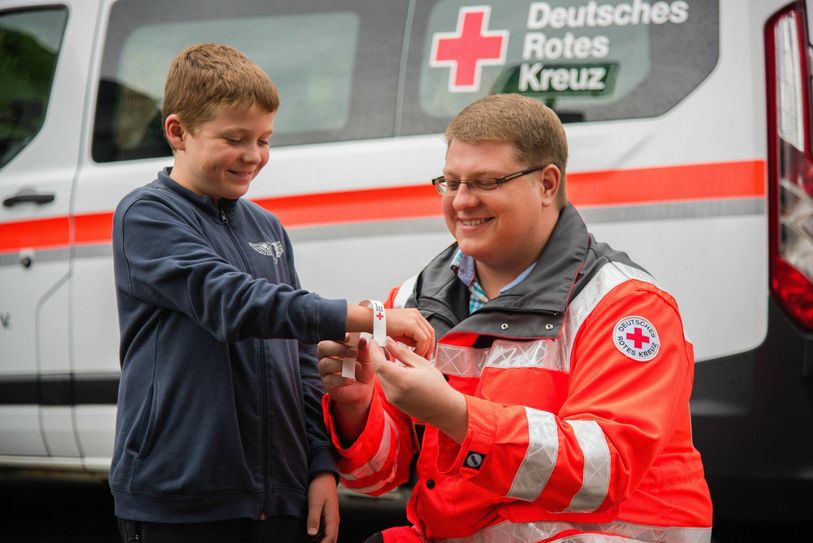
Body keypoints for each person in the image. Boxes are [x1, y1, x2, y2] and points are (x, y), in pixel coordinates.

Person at [318, 94, 713, 543]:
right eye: (450, 182)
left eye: (486, 181)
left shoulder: (626, 305)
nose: (462, 201)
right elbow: (372, 479)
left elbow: (603, 474)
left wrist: (456, 415)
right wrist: (355, 404)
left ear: (547, 184)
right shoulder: (414, 297)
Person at [109, 43, 433, 543]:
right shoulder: (146, 215)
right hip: (180, 499)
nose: (254, 156)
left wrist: (319, 467)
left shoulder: (267, 227)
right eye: (235, 138)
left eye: (264, 139)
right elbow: (233, 304)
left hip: (278, 497)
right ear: (177, 131)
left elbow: (302, 358)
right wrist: (367, 317)